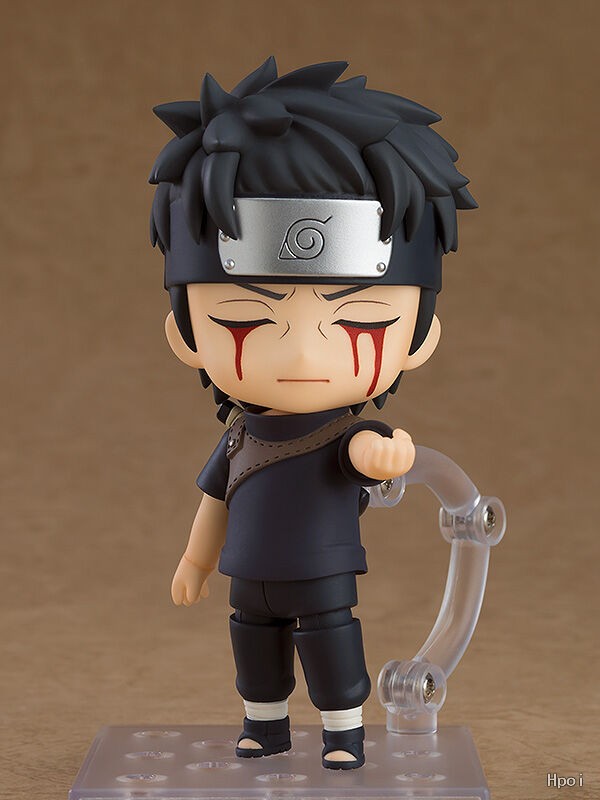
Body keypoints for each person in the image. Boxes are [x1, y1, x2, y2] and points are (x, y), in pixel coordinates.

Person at [149, 57, 476, 769]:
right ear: (186, 336)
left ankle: (342, 731)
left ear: (418, 339)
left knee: (330, 643)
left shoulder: (346, 434)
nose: (302, 353)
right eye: (244, 322)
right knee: (254, 647)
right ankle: (264, 725)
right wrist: (196, 560)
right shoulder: (239, 438)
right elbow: (215, 501)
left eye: (360, 324)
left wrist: (386, 454)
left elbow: (373, 455)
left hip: (322, 573)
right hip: (247, 573)